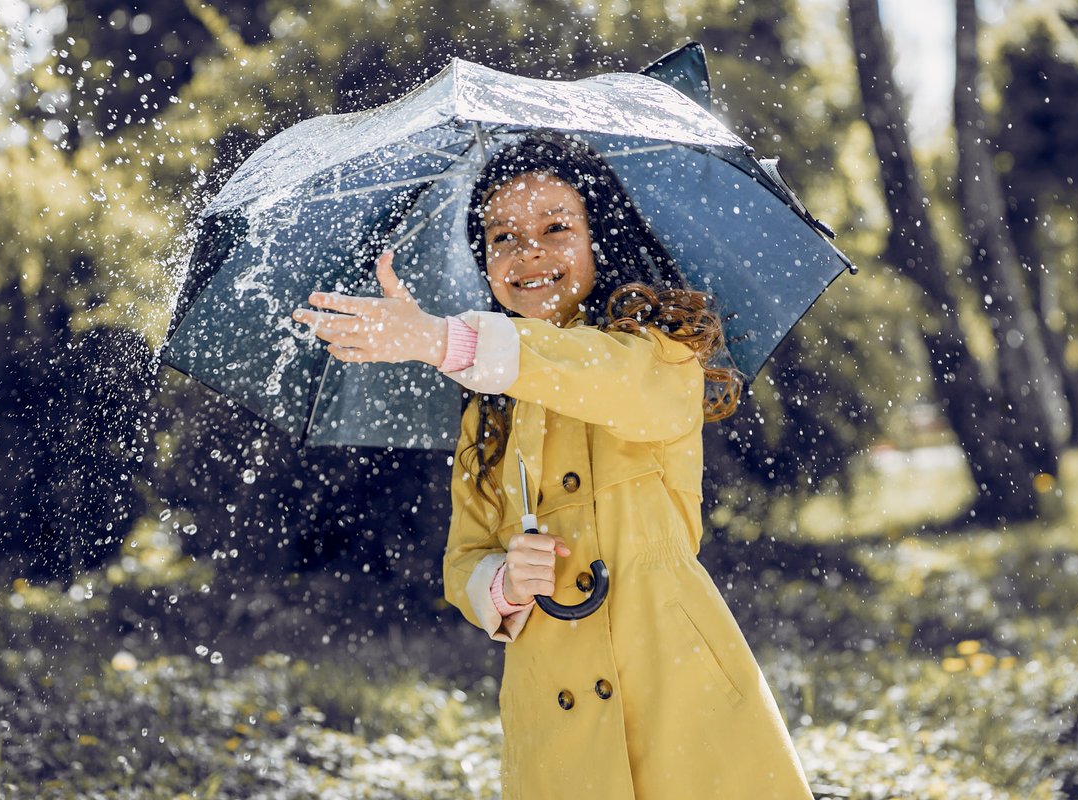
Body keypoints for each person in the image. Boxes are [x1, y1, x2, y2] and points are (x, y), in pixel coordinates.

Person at [291, 131, 814, 798]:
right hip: (555, 709)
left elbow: (604, 380)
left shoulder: (658, 353)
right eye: (502, 236)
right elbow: (464, 558)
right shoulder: (488, 405)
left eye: (556, 226)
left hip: (677, 686)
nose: (527, 252)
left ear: (602, 236)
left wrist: (439, 339)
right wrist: (504, 582)